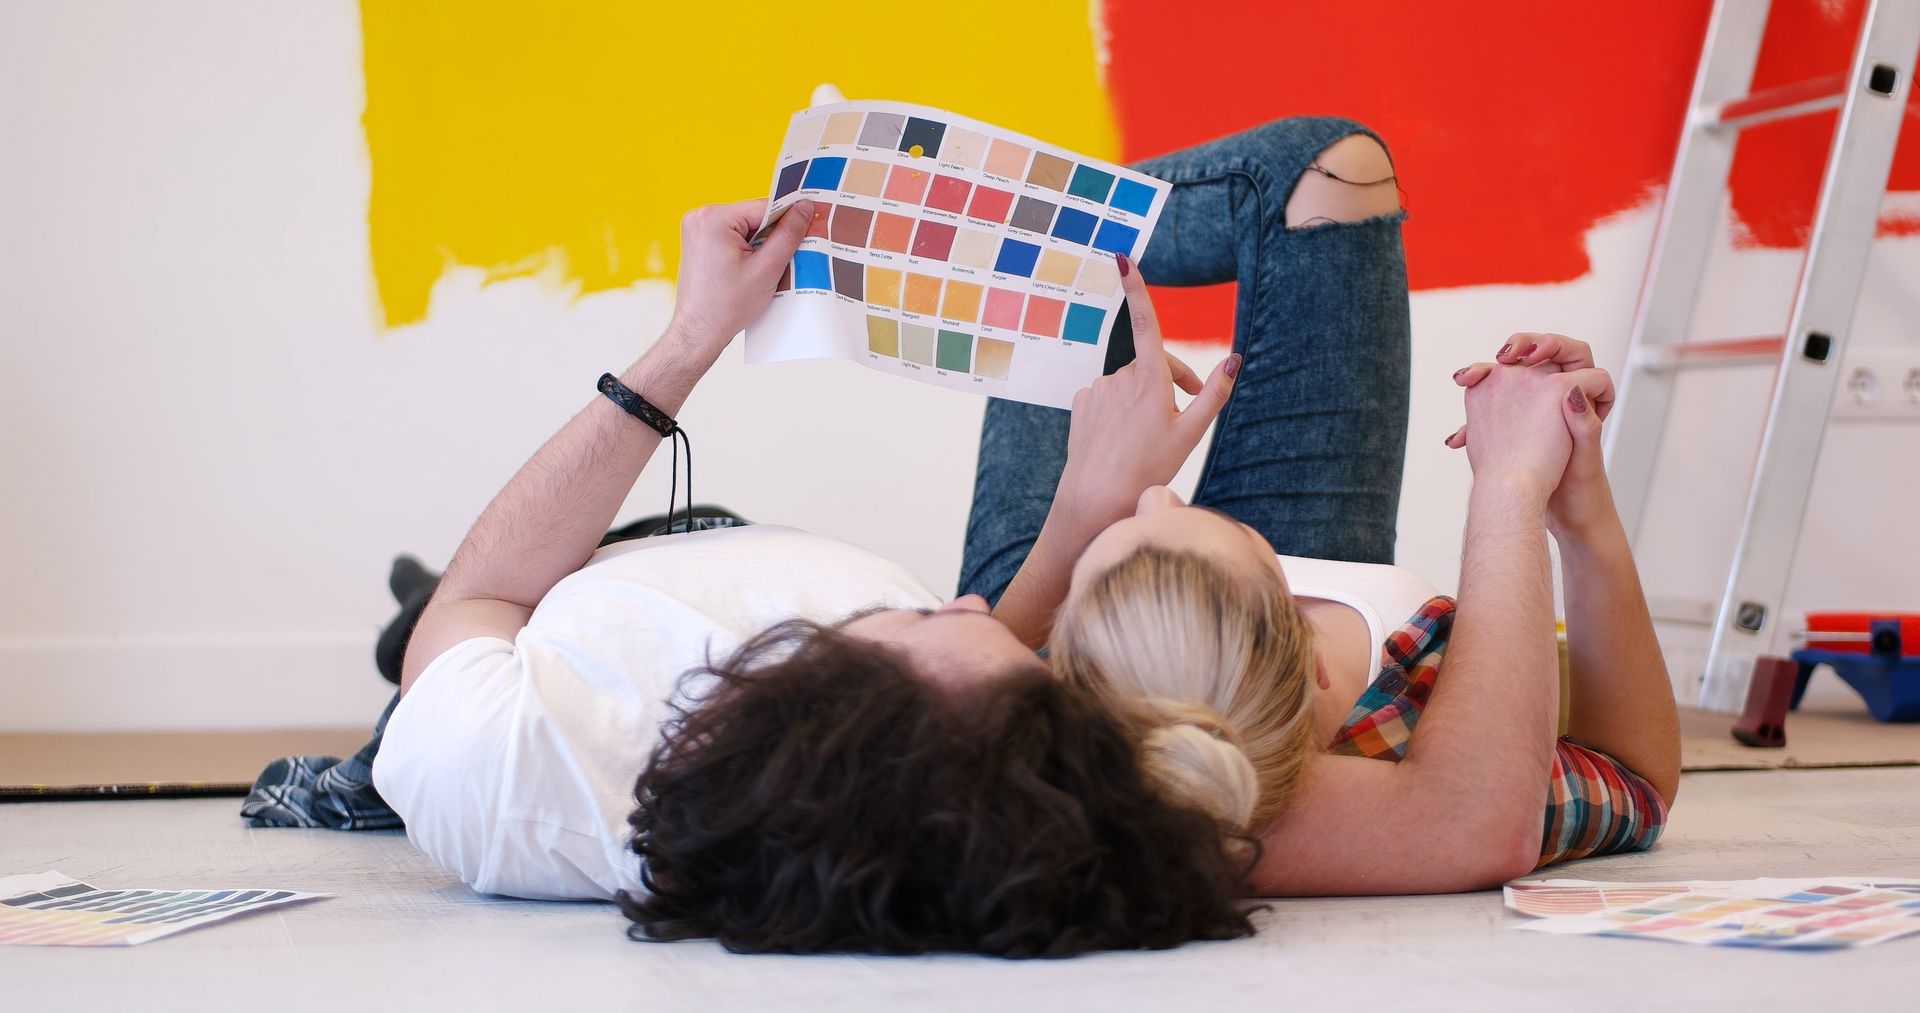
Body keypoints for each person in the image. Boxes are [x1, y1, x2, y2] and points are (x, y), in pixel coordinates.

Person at [957, 122, 1682, 895]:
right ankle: (1048, 229)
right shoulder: (1408, 705)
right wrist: (1562, 506)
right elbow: (1631, 779)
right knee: (1338, 168)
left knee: (1051, 278)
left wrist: (1078, 519)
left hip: (1025, 605)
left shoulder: (1022, 734)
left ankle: (1028, 229)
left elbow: (966, 663)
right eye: (1195, 526)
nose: (1155, 490)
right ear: (1312, 659)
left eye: (1126, 530)